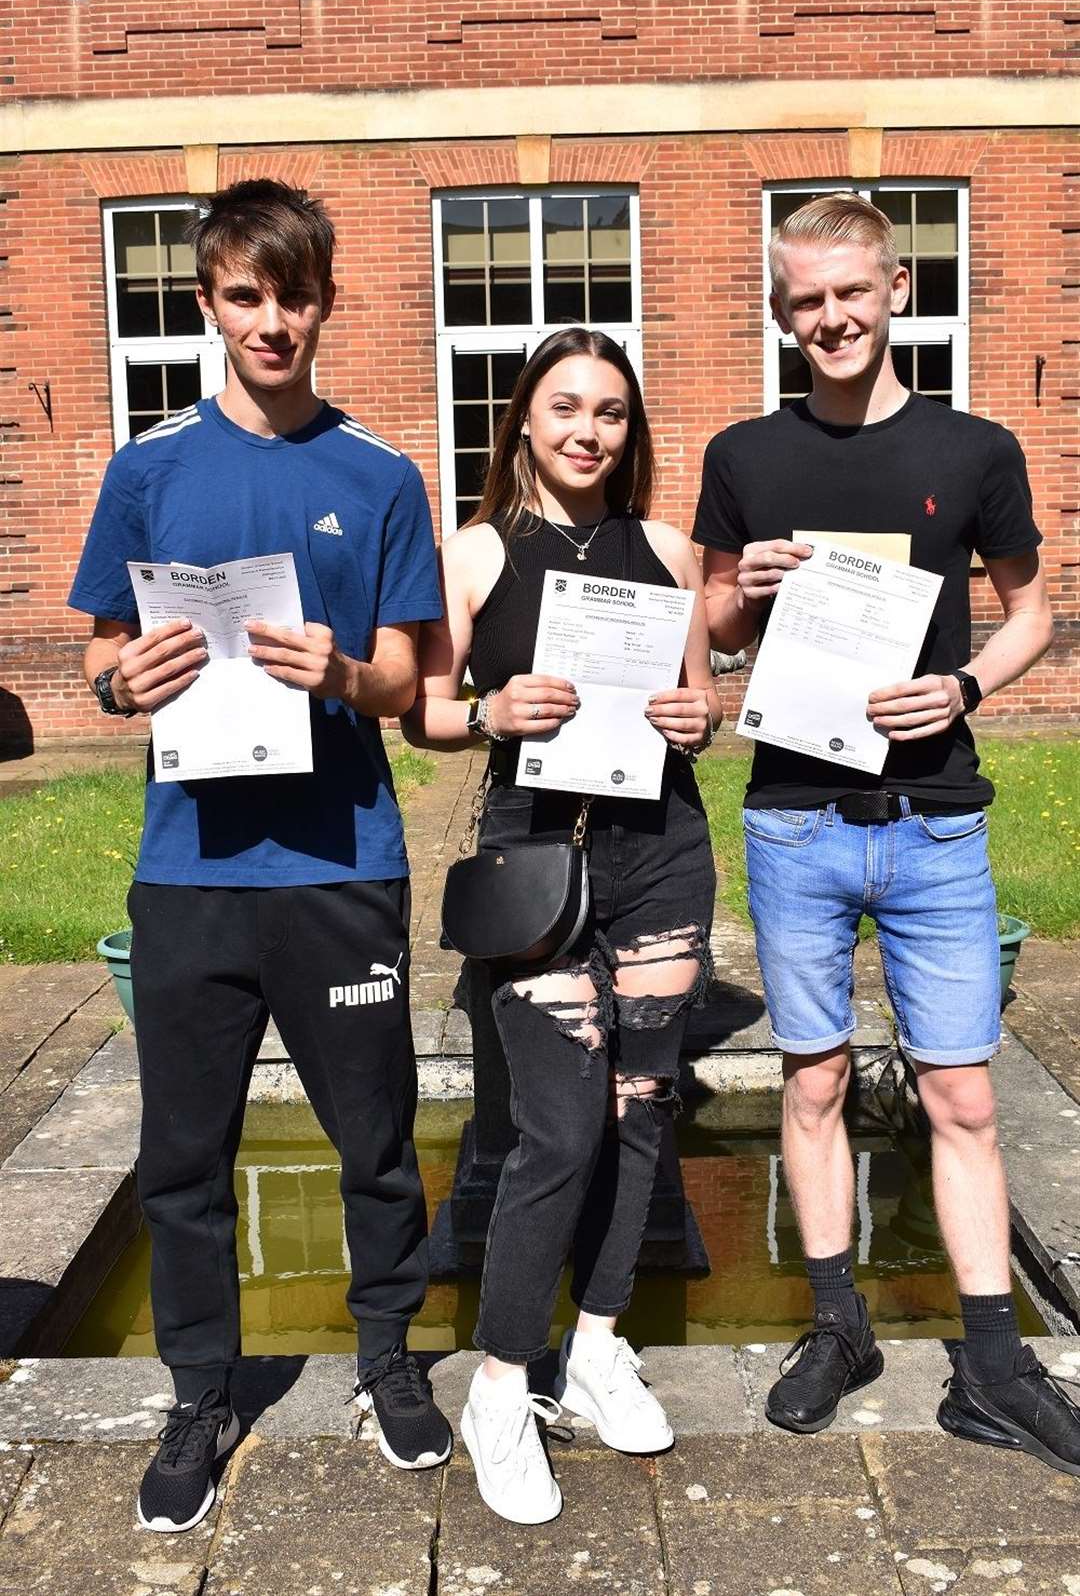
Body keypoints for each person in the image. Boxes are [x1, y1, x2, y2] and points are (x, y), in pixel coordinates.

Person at [69, 178, 452, 1533]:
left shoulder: (382, 475)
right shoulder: (148, 468)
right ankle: (197, 1393)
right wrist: (128, 685)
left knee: (376, 1143)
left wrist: (341, 669)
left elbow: (411, 679)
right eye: (246, 294)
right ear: (208, 303)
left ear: (326, 302)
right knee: (183, 1154)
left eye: (294, 295)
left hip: (340, 865)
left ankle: (392, 1363)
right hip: (192, 873)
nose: (272, 320)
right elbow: (104, 654)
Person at [695, 192, 1078, 1476]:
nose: (831, 318)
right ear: (778, 310)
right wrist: (737, 594)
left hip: (933, 819)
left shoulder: (975, 449)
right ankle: (837, 1326)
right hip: (796, 819)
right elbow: (710, 627)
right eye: (805, 301)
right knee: (810, 1082)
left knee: (961, 1093)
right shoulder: (746, 453)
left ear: (896, 288)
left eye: (850, 292)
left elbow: (1033, 613)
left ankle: (991, 1364)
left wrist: (965, 686)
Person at [403, 327, 720, 1523]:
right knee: (554, 1135)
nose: (590, 432)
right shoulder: (477, 553)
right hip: (535, 862)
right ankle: (499, 1383)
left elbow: (699, 705)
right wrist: (490, 709)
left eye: (613, 414)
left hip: (662, 858)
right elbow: (423, 713)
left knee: (643, 1115)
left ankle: (594, 1343)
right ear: (525, 420)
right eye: (567, 407)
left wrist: (702, 716)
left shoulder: (672, 549)